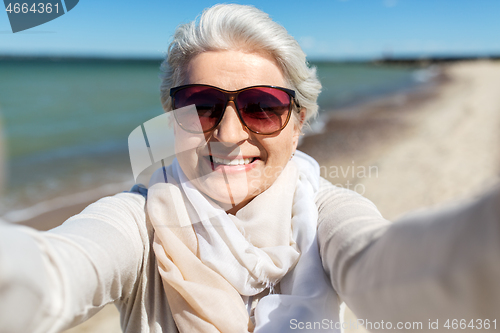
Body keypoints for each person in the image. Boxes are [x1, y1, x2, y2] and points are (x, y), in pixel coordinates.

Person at [0, 4, 499, 333]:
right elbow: (53, 275)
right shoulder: (140, 219)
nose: (230, 134)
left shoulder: (327, 214)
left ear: (299, 121)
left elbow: (397, 276)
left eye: (263, 106)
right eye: (200, 105)